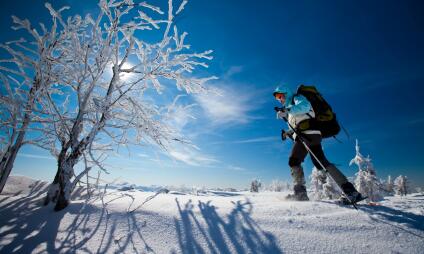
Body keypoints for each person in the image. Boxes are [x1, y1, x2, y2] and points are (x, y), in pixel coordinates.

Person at [273, 85, 363, 203]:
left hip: (308, 134)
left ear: (287, 93)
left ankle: (300, 194)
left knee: (294, 161)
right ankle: (350, 191)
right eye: (277, 98)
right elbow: (298, 125)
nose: (280, 99)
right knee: (320, 162)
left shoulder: (297, 98)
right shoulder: (291, 109)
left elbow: (305, 107)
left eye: (281, 95)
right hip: (311, 134)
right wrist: (287, 133)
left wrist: (287, 110)